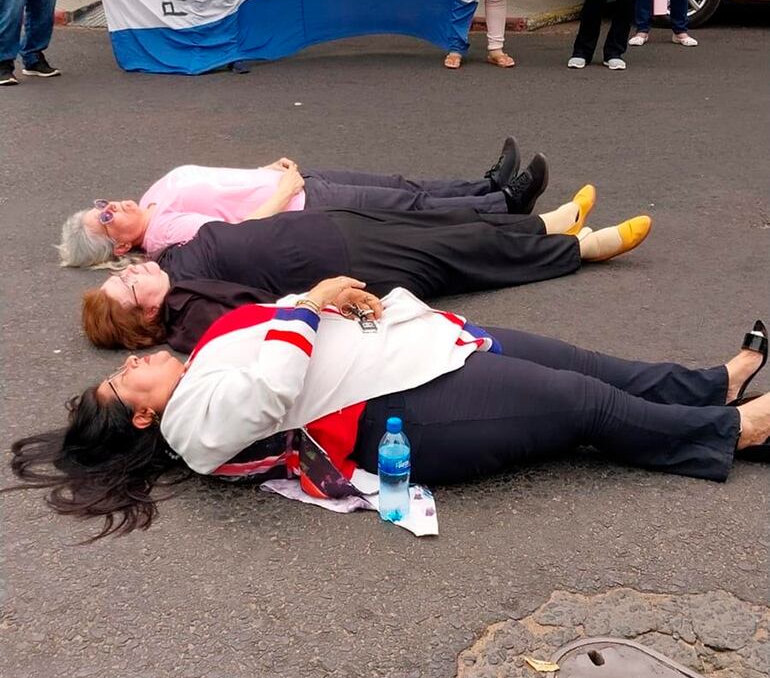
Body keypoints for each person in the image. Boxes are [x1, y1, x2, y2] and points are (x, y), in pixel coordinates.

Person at [9, 285, 768, 539]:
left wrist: (318, 301)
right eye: (126, 382)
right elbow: (273, 387)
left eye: (127, 362)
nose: (135, 363)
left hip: (419, 339)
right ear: (141, 419)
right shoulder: (188, 429)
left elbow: (284, 321)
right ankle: (732, 432)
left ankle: (710, 384)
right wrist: (308, 307)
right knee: (580, 404)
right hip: (402, 411)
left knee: (585, 363)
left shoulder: (198, 348)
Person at [79, 195, 652, 352]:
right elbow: (260, 321)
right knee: (460, 257)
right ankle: (581, 250)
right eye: (128, 285)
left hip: (329, 229)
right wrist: (326, 300)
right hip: (344, 264)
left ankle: (546, 223)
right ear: (147, 313)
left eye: (123, 272)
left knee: (445, 227)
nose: (132, 271)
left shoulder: (171, 267)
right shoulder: (187, 311)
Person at [57, 137, 552, 267]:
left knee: (404, 185)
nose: (112, 207)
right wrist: (283, 190)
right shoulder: (163, 236)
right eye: (105, 218)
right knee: (407, 206)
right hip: (302, 205)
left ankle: (486, 189)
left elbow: (220, 184)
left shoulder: (151, 199)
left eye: (101, 203)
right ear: (119, 248)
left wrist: (267, 171)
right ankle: (506, 205)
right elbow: (236, 233)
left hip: (295, 182)